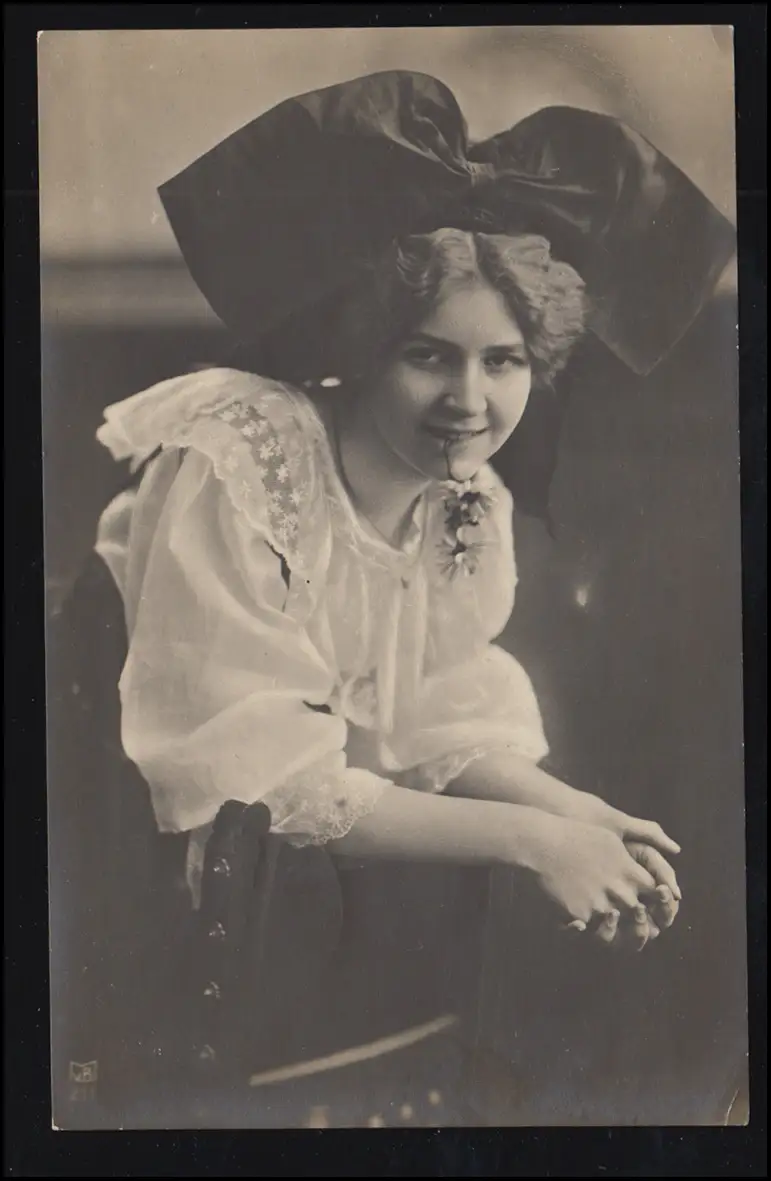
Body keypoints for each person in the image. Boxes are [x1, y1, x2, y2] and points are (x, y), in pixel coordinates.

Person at [59, 72, 736, 1128]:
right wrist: (530, 843)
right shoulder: (244, 456)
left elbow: (429, 714)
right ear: (368, 347)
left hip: (265, 879)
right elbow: (263, 780)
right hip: (105, 844)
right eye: (430, 356)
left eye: (503, 361)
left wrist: (571, 813)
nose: (469, 401)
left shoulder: (464, 499)